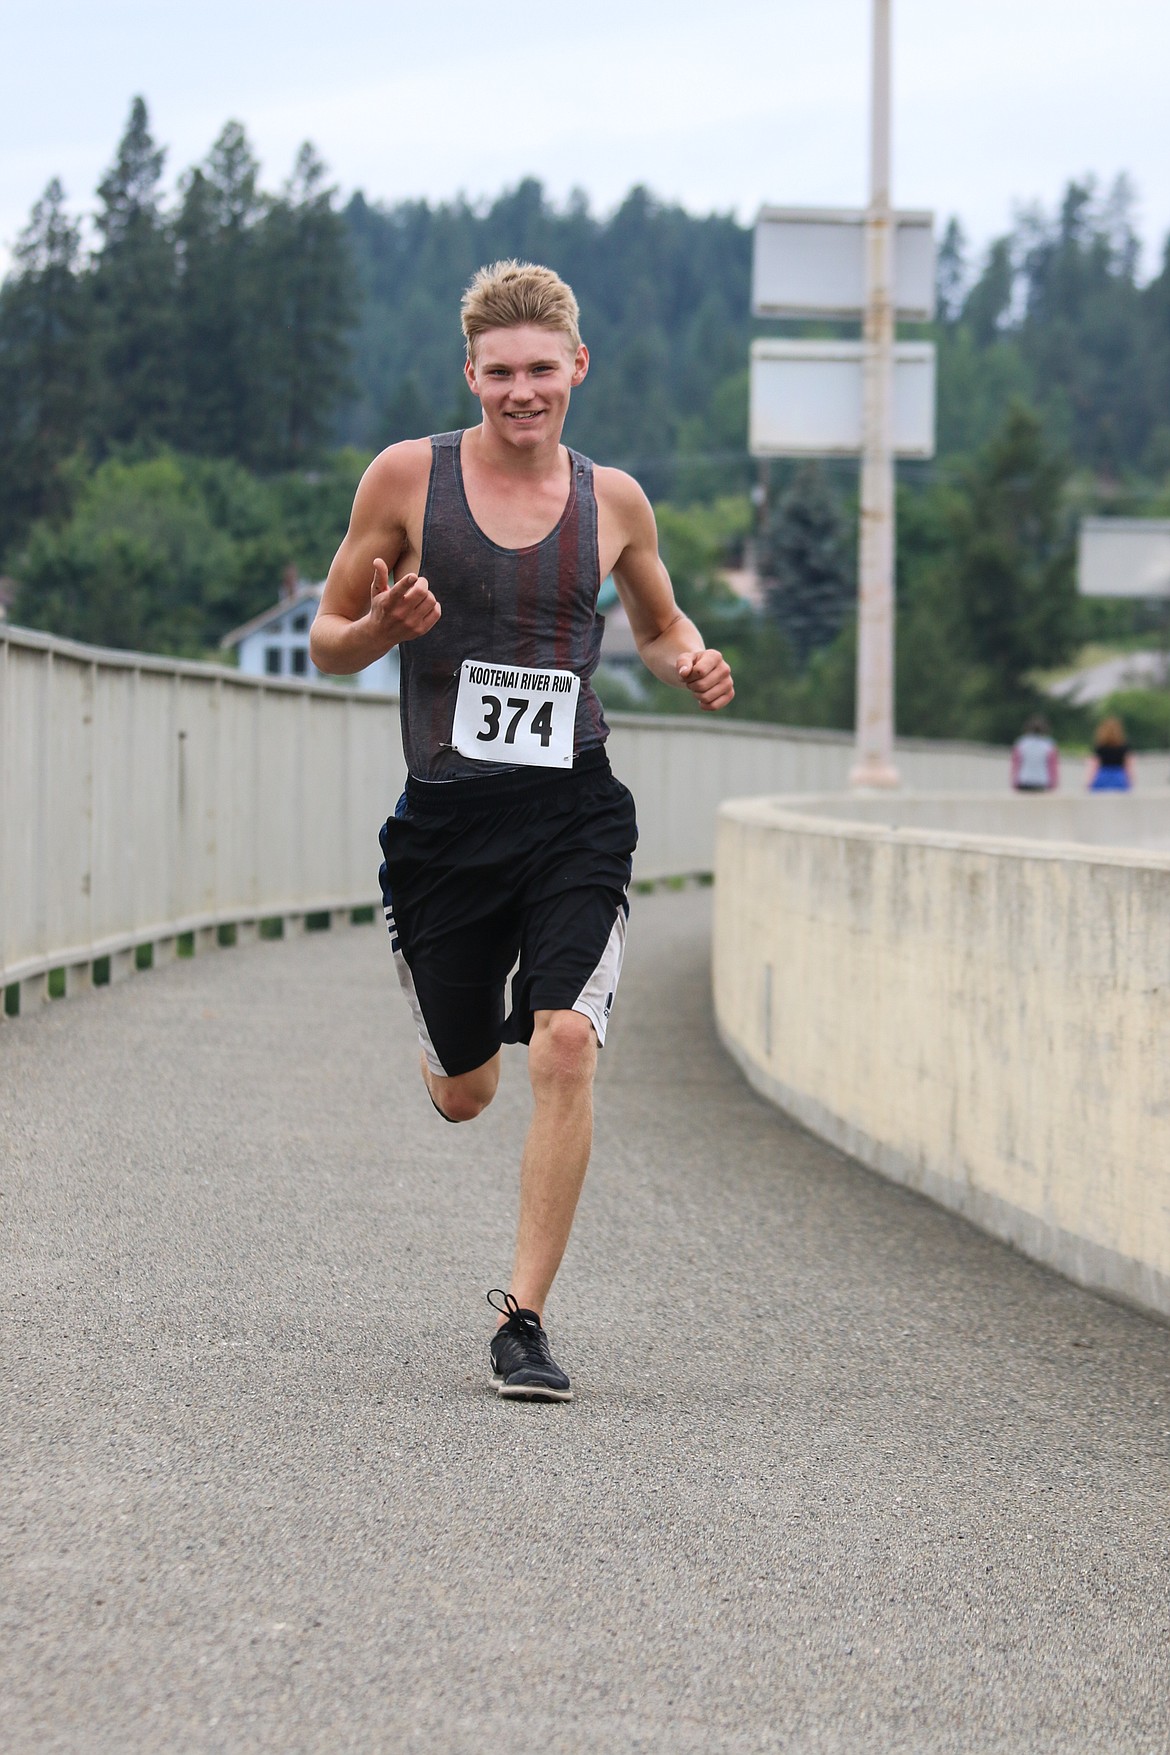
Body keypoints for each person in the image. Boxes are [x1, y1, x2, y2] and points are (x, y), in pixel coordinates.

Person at [310, 261, 734, 1401]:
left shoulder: (616, 502)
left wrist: (685, 657)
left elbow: (658, 618)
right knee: (465, 1092)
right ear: (471, 375)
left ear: (577, 368)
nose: (521, 391)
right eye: (500, 373)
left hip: (572, 811)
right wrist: (384, 626)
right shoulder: (407, 479)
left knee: (562, 1046)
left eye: (541, 370)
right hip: (448, 826)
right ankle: (453, 1039)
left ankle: (525, 1320)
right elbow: (325, 639)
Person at [1086, 714, 1135, 791]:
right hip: (1119, 777)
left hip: (1103, 776)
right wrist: (1130, 781)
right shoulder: (1124, 746)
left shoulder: (1100, 747)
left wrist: (1089, 782)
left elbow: (1094, 766)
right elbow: (1128, 766)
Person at [1010, 714, 1059, 792]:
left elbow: (1016, 764)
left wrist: (1014, 781)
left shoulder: (1022, 743)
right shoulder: (1049, 744)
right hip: (1042, 781)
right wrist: (1054, 783)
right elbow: (1052, 767)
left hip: (1024, 780)